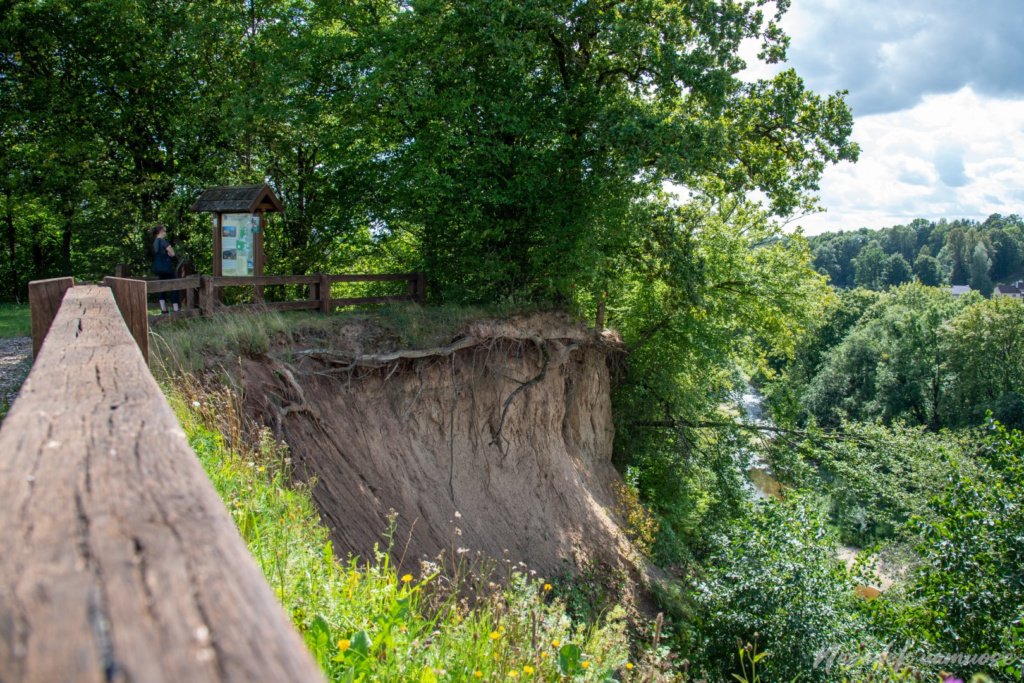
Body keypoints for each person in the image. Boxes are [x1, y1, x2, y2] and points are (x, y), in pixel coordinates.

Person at [151, 224, 179, 313]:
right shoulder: (163, 241)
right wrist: (170, 254)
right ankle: (176, 309)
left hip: (158, 268)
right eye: (165, 231)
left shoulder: (154, 242)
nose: (165, 233)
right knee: (174, 285)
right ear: (161, 232)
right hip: (167, 267)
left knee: (161, 287)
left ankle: (163, 309)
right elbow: (172, 252)